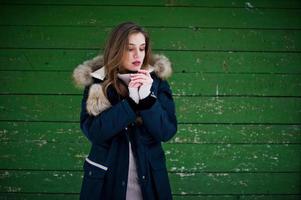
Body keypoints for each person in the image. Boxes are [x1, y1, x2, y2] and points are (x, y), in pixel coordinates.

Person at [73, 21, 177, 200]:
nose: (138, 54)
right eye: (130, 48)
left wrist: (147, 100)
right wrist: (131, 104)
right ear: (117, 49)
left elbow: (166, 131)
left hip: (150, 181)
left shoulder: (157, 82)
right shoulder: (97, 83)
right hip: (105, 180)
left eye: (142, 48)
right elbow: (94, 132)